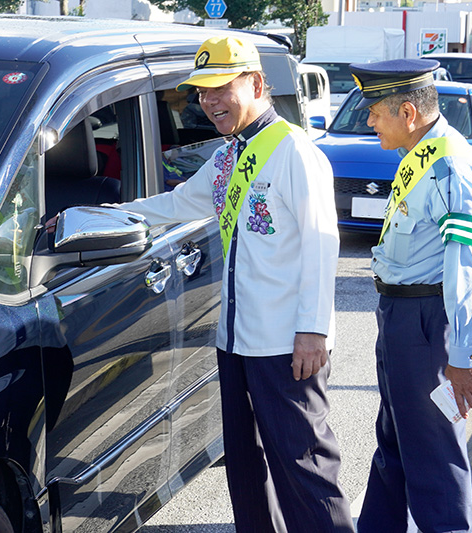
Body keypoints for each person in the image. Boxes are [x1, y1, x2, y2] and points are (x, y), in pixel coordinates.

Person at [112, 36, 354, 533]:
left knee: (306, 468)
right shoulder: (229, 157)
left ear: (257, 83)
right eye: (202, 92)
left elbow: (321, 243)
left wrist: (313, 331)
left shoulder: (293, 151)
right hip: (236, 339)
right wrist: (106, 216)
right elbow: (179, 204)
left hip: (285, 344)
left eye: (222, 88)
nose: (210, 102)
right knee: (245, 467)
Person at [349, 58, 472, 533]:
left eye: (376, 112)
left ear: (408, 112)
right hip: (399, 316)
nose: (369, 121)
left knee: (433, 452)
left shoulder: (449, 161)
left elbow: (465, 266)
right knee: (394, 443)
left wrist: (461, 357)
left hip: (427, 322)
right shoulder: (420, 153)